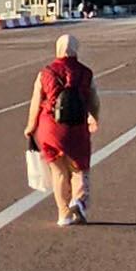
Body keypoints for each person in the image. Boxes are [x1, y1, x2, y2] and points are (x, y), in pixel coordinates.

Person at [28, 32, 100, 226]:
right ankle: (79, 202)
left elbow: (36, 102)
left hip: (50, 128)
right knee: (79, 168)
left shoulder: (46, 73)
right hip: (77, 127)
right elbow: (94, 100)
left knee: (58, 172)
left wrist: (30, 127)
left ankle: (63, 214)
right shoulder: (86, 73)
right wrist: (94, 118)